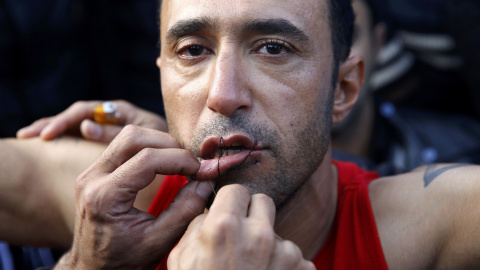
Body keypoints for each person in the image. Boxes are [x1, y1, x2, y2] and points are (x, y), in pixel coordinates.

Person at [7, 0, 480, 269]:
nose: (222, 94)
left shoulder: (433, 224)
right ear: (160, 80)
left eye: (273, 48)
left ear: (344, 87)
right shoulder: (112, 198)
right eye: (193, 50)